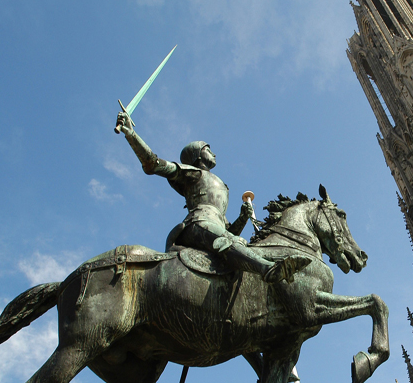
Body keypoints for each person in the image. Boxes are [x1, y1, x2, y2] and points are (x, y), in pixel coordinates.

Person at [115, 112, 310, 284]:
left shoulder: (219, 184)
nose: (214, 153)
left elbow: (227, 230)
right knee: (229, 241)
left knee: (236, 243)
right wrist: (131, 134)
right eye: (208, 149)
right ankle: (268, 269)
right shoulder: (194, 173)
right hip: (197, 223)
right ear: (197, 156)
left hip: (212, 227)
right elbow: (153, 164)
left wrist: (243, 217)